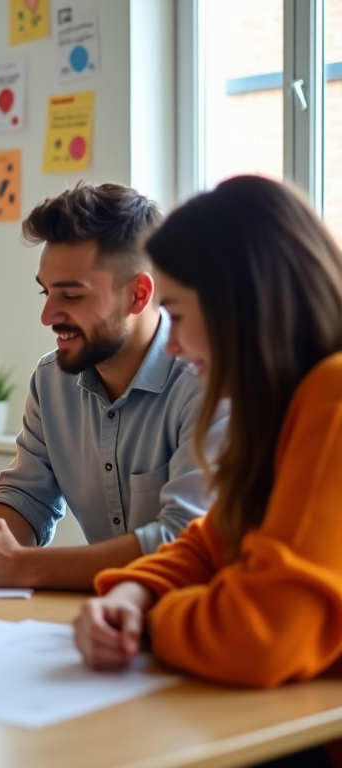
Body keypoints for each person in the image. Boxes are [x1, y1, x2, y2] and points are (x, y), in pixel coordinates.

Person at [73, 176, 342, 687]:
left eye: (174, 314)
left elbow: (261, 637)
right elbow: (210, 542)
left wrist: (149, 622)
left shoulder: (333, 396)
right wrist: (133, 594)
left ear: (236, 304)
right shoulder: (282, 406)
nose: (170, 346)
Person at [0, 182, 226, 590]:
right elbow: (27, 500)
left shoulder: (209, 383)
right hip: (110, 620)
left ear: (138, 295)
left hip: (201, 621)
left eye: (71, 296)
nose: (47, 315)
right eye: (46, 291)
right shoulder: (51, 381)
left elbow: (181, 541)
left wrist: (19, 566)